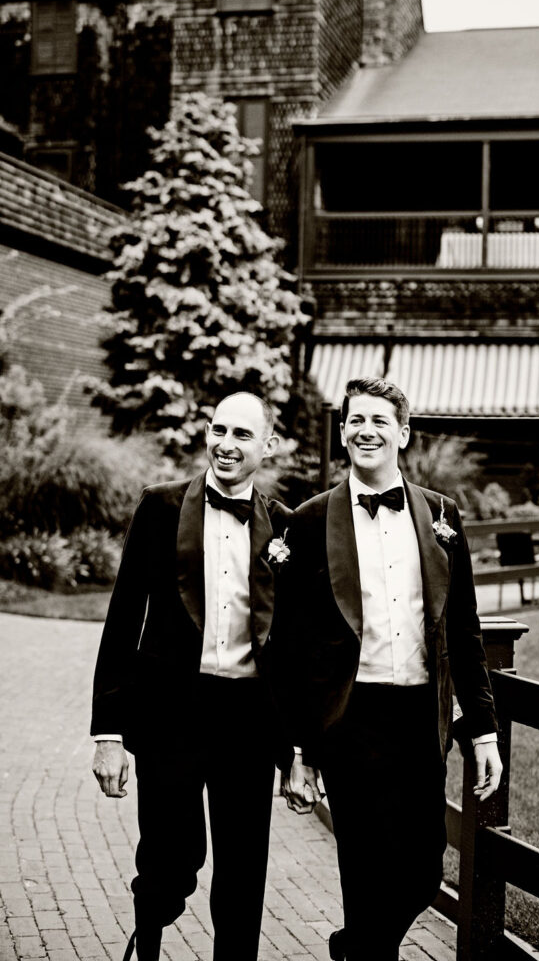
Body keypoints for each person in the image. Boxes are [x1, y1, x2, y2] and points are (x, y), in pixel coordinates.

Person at [275, 377, 502, 961]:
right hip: (351, 719)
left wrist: (482, 729)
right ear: (343, 432)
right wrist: (298, 751)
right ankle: (368, 951)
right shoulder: (308, 520)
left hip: (421, 719)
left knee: (424, 873)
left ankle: (355, 947)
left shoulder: (442, 515)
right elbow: (293, 647)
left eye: (380, 420)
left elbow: (464, 628)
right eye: (356, 420)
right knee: (366, 869)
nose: (366, 430)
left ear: (402, 433)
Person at [91, 392, 292, 961]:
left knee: (243, 866)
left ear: (267, 445)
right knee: (167, 860)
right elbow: (123, 618)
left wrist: (297, 747)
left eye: (243, 435)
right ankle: (148, 939)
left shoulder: (282, 526)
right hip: (171, 714)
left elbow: (294, 644)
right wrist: (108, 733)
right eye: (218, 429)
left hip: (249, 719)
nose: (226, 444)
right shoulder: (159, 507)